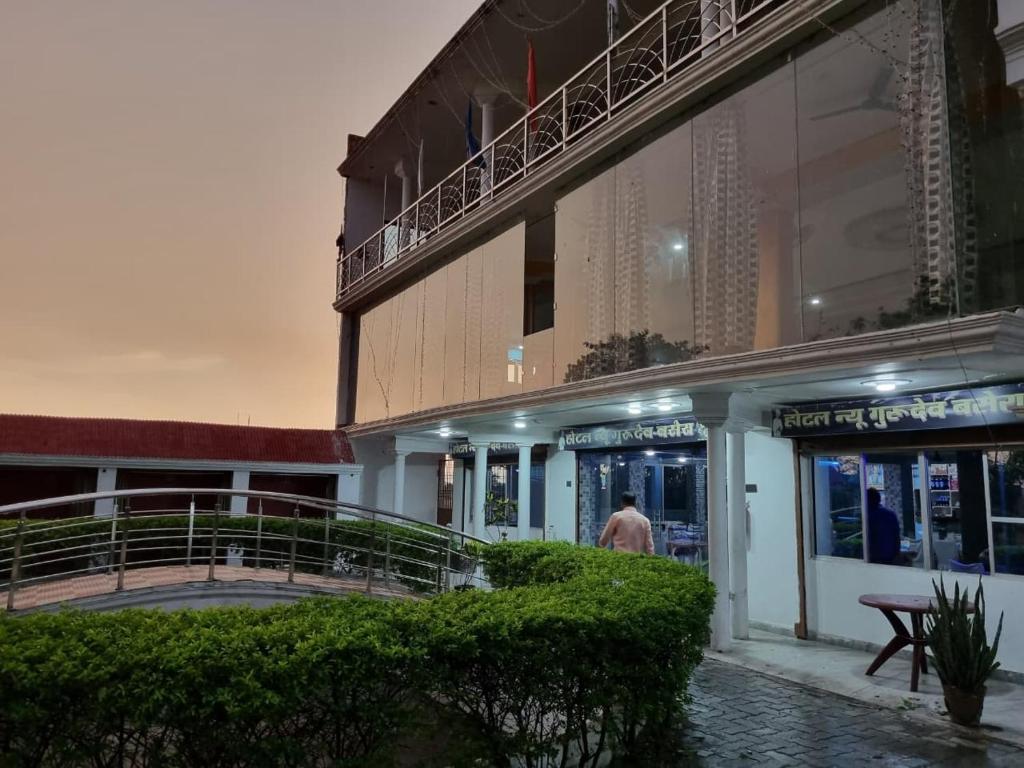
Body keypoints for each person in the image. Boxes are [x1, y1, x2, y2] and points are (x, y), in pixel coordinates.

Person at [866, 488, 901, 565]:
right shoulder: (890, 514)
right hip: (890, 556)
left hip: (874, 557)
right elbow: (897, 537)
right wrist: (897, 554)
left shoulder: (868, 516)